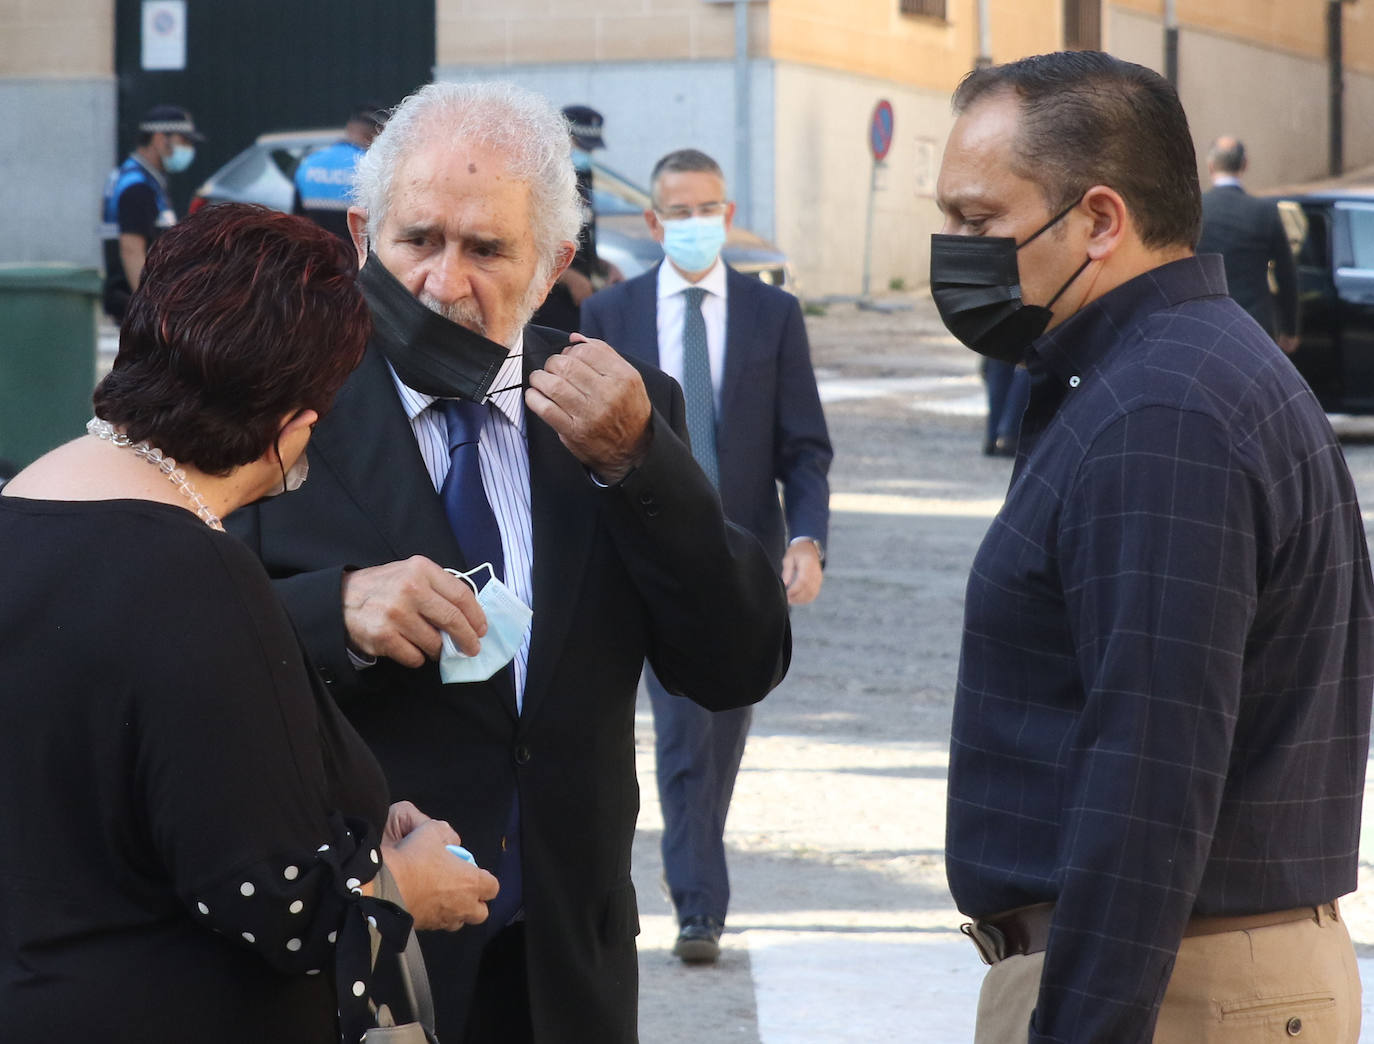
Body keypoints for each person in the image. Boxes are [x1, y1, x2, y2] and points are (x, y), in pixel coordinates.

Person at [225, 81, 791, 1043]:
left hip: (565, 964)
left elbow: (734, 661)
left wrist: (640, 463)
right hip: (356, 957)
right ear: (363, 233)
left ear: (554, 265)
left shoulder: (618, 406)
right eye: (419, 241)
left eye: (486, 249)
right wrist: (335, 613)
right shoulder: (273, 407)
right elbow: (181, 654)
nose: (446, 283)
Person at [932, 51, 1372, 1042]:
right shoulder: (1168, 376)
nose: (951, 249)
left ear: (1099, 219)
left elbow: (1149, 782)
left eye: (976, 221)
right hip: (1188, 978)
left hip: (1180, 993)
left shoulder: (1161, 413)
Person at [0, 203, 499, 1043]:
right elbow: (279, 908)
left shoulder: (25, 505)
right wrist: (405, 886)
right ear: (294, 423)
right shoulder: (196, 572)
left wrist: (356, 818)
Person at [581, 147, 831, 964]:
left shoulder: (772, 316)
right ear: (653, 224)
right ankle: (699, 906)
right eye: (678, 213)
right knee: (684, 739)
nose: (695, 225)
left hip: (738, 561)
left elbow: (805, 446)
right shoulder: (612, 313)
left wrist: (805, 538)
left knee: (719, 733)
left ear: (729, 217)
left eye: (708, 211)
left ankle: (695, 868)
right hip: (640, 554)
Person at [100, 103, 204, 323]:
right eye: (183, 141)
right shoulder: (137, 186)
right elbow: (131, 250)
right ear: (159, 139)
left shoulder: (141, 179)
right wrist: (151, 310)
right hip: (137, 305)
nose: (188, 149)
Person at [1198, 135, 1300, 352]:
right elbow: (1286, 275)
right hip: (1255, 326)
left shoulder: (1197, 211)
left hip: (1205, 325)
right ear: (1245, 165)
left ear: (1210, 165)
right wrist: (1290, 328)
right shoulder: (1264, 212)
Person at [529, 103, 622, 330]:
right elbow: (531, 243)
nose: (585, 154)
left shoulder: (583, 175)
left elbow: (583, 236)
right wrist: (570, 277)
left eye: (590, 149)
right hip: (551, 298)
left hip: (579, 299)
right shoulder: (541, 177)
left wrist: (604, 266)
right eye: (580, 146)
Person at [294, 101, 389, 243]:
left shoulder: (309, 164)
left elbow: (296, 219)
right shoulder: (373, 168)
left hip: (317, 256)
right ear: (376, 134)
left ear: (349, 129)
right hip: (356, 259)